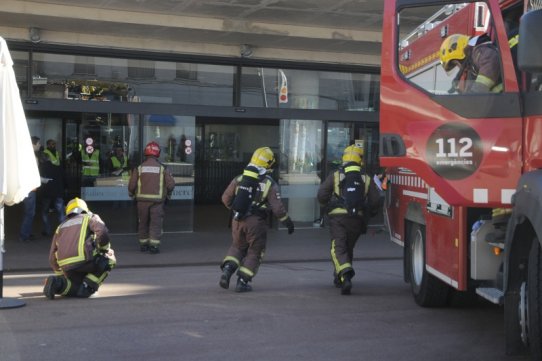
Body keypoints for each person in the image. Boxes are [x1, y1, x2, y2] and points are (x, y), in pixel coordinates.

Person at [219, 146, 295, 293]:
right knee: (255, 251)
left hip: (237, 220)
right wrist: (287, 222)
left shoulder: (240, 178)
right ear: (268, 164)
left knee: (237, 247)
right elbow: (277, 208)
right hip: (256, 223)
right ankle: (242, 282)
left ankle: (227, 270)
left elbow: (225, 198)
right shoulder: (269, 183)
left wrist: (236, 210)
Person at [317, 145, 380, 295]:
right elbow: (375, 201)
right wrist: (369, 213)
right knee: (347, 248)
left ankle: (345, 275)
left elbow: (321, 195)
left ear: (344, 158)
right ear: (361, 160)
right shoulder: (366, 178)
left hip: (338, 218)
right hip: (356, 220)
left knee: (337, 247)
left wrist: (327, 205)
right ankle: (339, 278)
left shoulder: (335, 175)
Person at [43, 197, 116, 299]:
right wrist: (104, 249)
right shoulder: (89, 217)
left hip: (66, 267)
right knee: (109, 258)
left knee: (73, 285)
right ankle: (87, 288)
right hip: (85, 262)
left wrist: (61, 275)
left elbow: (52, 256)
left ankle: (58, 284)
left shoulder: (60, 227)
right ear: (85, 209)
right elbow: (102, 232)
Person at [128, 141, 175, 254]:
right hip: (157, 202)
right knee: (155, 223)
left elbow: (132, 185)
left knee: (143, 222)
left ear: (146, 153)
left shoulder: (139, 168)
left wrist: (131, 193)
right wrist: (168, 193)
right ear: (157, 153)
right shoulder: (163, 168)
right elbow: (171, 185)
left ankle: (143, 245)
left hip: (141, 201)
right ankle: (154, 246)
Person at [40, 139, 66, 237]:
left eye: (54, 144)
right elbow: (63, 176)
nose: (54, 145)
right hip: (57, 190)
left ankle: (47, 230)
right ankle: (63, 232)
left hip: (47, 192)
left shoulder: (41, 168)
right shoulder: (48, 154)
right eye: (52, 144)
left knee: (45, 211)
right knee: (60, 212)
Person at [19, 136, 42, 242]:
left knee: (29, 212)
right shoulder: (31, 157)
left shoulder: (25, 155)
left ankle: (26, 233)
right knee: (29, 213)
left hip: (29, 187)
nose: (40, 145)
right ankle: (24, 235)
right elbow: (33, 173)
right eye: (38, 144)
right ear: (33, 144)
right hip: (30, 188)